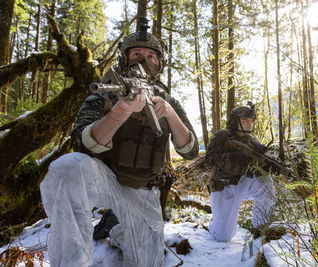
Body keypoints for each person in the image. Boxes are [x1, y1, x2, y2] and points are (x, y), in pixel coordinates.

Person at [40, 29, 199, 267]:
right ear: (125, 58)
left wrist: (170, 113)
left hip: (145, 191)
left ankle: (113, 227)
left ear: (160, 62)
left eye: (151, 56)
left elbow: (190, 151)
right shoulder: (106, 94)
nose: (143, 60)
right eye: (136, 53)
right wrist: (120, 111)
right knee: (67, 168)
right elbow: (80, 144)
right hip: (107, 181)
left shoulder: (168, 100)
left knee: (145, 262)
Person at [205, 103, 279, 242]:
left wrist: (267, 166)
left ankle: (261, 228)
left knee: (265, 180)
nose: (248, 124)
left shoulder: (252, 141)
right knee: (223, 236)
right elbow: (209, 160)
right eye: (245, 120)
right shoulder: (221, 136)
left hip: (243, 184)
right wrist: (240, 160)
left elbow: (261, 160)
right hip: (223, 187)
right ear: (235, 121)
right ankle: (215, 223)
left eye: (251, 121)